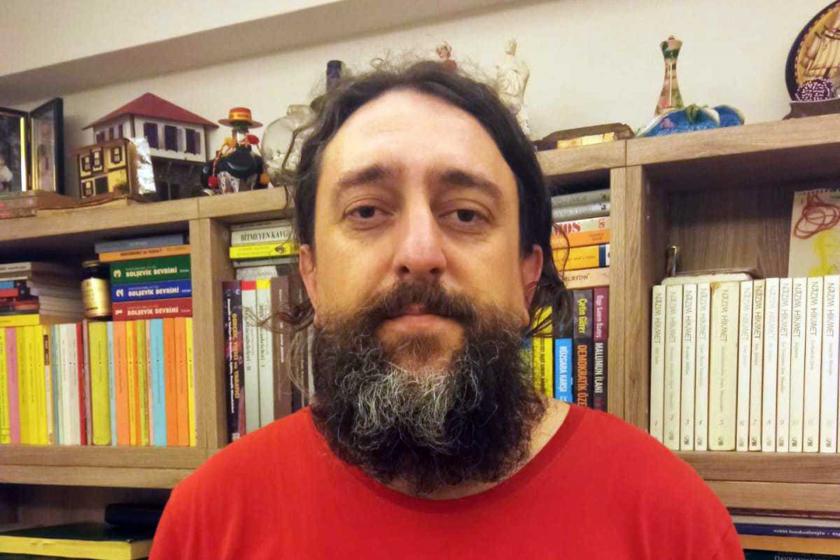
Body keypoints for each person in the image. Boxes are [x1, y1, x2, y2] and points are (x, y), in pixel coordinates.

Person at [150, 62, 742, 559]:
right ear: (312, 275)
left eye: (465, 214)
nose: (419, 254)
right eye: (366, 211)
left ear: (527, 275)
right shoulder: (207, 525)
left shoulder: (672, 523)